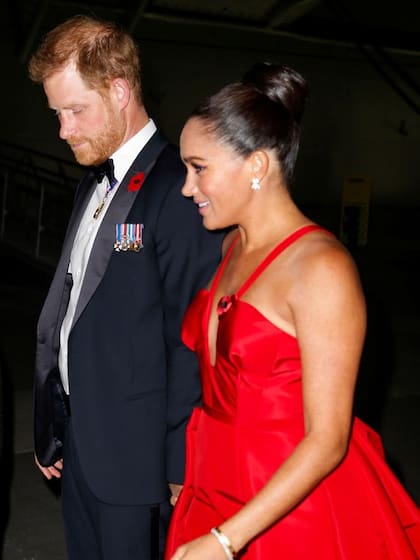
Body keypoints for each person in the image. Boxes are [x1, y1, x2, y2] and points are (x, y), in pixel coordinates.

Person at [165, 62, 420, 560]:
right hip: (212, 486)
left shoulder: (322, 268)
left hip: (292, 504)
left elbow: (328, 439)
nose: (186, 188)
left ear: (257, 166)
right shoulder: (229, 248)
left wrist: (225, 541)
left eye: (199, 168)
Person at [28, 15, 224, 560]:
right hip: (81, 446)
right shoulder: (90, 182)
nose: (63, 130)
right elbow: (73, 313)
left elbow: (192, 337)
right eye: (57, 114)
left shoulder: (178, 189)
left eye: (74, 111)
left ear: (118, 91)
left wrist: (180, 466)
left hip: (140, 464)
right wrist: (53, 422)